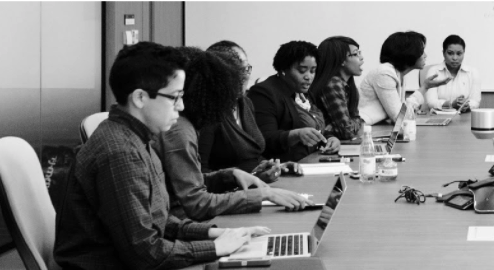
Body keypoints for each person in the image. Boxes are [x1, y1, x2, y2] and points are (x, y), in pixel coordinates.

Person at [53, 42, 267, 269]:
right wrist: (215, 248)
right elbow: (146, 253)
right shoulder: (121, 153)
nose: (182, 106)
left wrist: (217, 233)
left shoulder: (140, 138)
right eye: (174, 97)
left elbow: (160, 221)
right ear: (140, 98)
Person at [157, 47, 313, 221]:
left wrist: (231, 175)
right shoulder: (180, 130)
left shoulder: (190, 124)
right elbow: (196, 202)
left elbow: (191, 180)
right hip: (191, 223)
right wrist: (263, 195)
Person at [197, 41, 285, 179]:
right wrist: (244, 178)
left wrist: (274, 166)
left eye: (246, 68)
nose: (244, 75)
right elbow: (200, 173)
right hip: (230, 194)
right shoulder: (209, 112)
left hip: (257, 185)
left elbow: (253, 154)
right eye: (237, 69)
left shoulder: (245, 103)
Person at [248, 41, 341, 162]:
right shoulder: (263, 93)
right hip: (284, 167)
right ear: (283, 69)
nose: (308, 77)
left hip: (312, 160)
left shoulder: (304, 92)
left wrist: (330, 138)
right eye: (302, 71)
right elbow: (264, 138)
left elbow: (315, 126)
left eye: (313, 71)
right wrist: (295, 135)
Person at [358, 31, 448, 124]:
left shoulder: (399, 74)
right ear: (409, 53)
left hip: (379, 127)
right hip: (364, 129)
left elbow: (402, 112)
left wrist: (425, 87)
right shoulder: (384, 73)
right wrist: (424, 88)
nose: (425, 55)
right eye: (421, 51)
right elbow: (400, 117)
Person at [310, 36, 366, 140]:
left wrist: (355, 122)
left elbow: (355, 119)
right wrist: (357, 123)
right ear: (341, 61)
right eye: (355, 54)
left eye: (360, 52)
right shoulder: (333, 84)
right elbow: (347, 132)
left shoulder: (347, 84)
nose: (361, 57)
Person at [421, 34, 482, 112]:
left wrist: (467, 105)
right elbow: (431, 102)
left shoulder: (473, 72)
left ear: (464, 53)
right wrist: (450, 104)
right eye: (450, 53)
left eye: (459, 54)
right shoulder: (434, 71)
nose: (455, 58)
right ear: (443, 53)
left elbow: (475, 101)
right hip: (438, 117)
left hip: (464, 118)